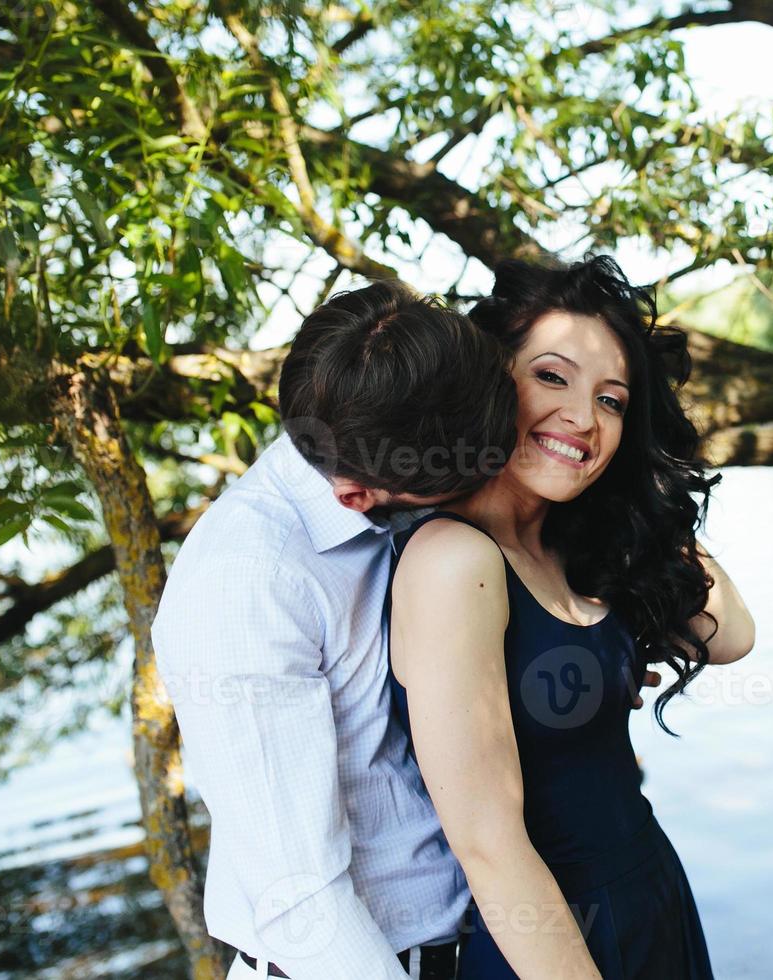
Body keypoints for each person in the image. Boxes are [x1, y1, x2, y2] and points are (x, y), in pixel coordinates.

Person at [153, 280, 603, 979]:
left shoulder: (388, 426)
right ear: (356, 496)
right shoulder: (248, 581)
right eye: (457, 489)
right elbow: (300, 903)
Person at [387, 255, 756, 978]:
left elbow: (732, 635)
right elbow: (492, 848)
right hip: (548, 939)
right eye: (552, 377)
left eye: (612, 401)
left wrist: (645, 490)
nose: (583, 418)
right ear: (492, 380)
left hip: (653, 897)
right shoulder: (451, 562)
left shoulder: (574, 546)